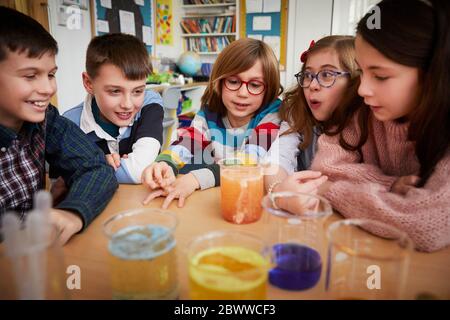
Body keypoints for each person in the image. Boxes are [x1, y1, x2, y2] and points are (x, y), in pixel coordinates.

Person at [311, 0, 450, 252]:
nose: (363, 88)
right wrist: (389, 185)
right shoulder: (360, 108)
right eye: (361, 72)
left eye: (381, 76)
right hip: (360, 249)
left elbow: (426, 225)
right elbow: (325, 170)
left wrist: (332, 191)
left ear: (434, 74)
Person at [0, 7, 118, 245]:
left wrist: (71, 212)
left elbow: (95, 166)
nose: (47, 89)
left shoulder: (46, 120)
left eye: (51, 74)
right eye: (30, 76)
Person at [142, 38, 282, 208]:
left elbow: (249, 160)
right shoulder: (209, 113)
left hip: (255, 201)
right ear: (220, 81)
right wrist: (166, 163)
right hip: (220, 197)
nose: (243, 93)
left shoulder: (273, 114)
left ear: (269, 88)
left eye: (255, 84)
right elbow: (187, 141)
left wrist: (195, 178)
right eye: (233, 81)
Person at [264, 35, 363, 197]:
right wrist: (279, 190)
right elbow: (277, 159)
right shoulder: (297, 113)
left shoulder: (367, 121)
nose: (312, 85)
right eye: (308, 75)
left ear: (354, 79)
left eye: (326, 74)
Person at [64, 33, 163, 184]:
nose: (128, 105)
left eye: (137, 91)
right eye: (115, 91)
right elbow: (60, 181)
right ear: (89, 83)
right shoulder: (69, 124)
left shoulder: (151, 103)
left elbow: (138, 171)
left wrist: (92, 168)